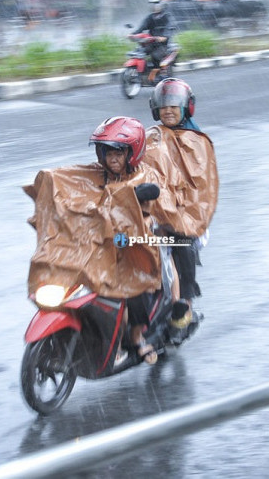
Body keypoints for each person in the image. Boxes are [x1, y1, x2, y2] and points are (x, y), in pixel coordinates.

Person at [144, 78, 219, 338]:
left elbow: (200, 187)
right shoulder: (151, 136)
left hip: (185, 215)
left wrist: (175, 213)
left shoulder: (197, 142)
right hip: (152, 209)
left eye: (174, 106)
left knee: (180, 244)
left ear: (187, 107)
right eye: (163, 106)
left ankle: (183, 307)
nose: (168, 110)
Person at [89, 116, 160, 365]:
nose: (113, 159)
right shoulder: (97, 176)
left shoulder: (144, 175)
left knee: (134, 287)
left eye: (119, 153)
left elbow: (150, 209)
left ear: (132, 153)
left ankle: (137, 336)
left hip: (133, 245)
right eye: (108, 153)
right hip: (101, 242)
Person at [130, 0, 175, 83]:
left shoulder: (167, 17)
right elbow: (142, 27)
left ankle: (160, 74)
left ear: (162, 6)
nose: (154, 7)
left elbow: (169, 29)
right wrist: (132, 34)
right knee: (139, 52)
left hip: (163, 44)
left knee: (155, 56)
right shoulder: (150, 17)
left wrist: (163, 37)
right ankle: (143, 72)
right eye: (153, 5)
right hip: (151, 42)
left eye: (157, 5)